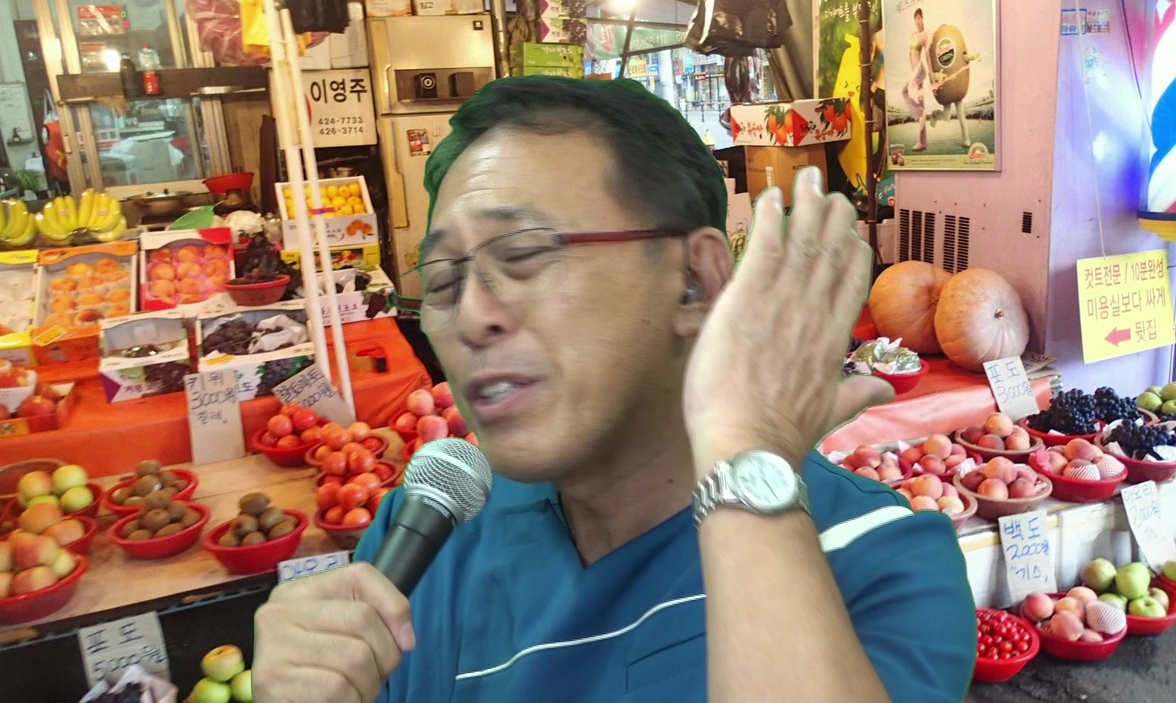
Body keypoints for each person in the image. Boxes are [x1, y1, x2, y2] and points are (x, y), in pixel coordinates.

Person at [252, 76, 977, 703]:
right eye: (443, 281)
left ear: (694, 280)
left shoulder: (872, 559)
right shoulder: (426, 546)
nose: (470, 316)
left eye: (523, 253)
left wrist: (745, 459)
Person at [902, 8, 935, 152]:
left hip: (920, 71)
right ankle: (923, 141)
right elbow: (910, 54)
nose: (917, 21)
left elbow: (927, 56)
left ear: (922, 19)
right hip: (914, 72)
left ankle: (919, 112)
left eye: (919, 18)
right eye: (915, 19)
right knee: (921, 102)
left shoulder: (924, 35)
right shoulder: (913, 35)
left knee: (905, 92)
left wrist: (932, 77)